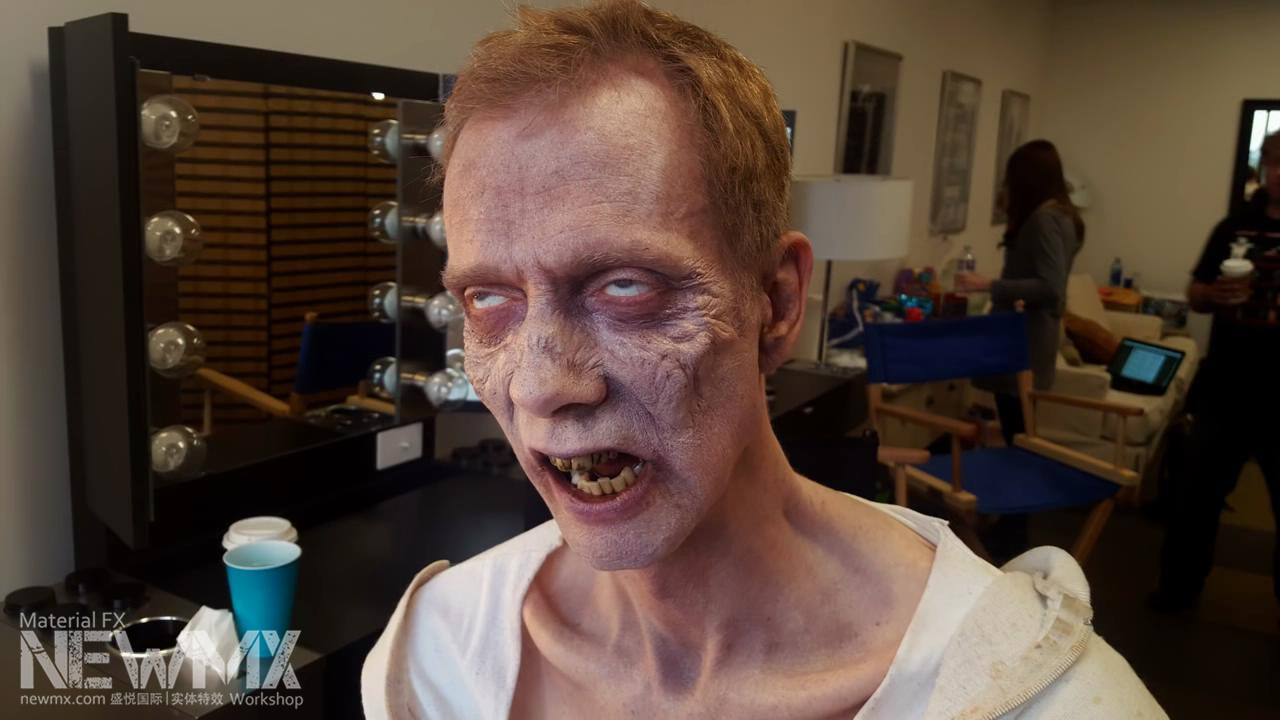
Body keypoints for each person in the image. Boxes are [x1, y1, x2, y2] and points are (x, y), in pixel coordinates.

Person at [362, 2, 1162, 717]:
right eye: (488, 299)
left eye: (626, 286)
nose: (541, 386)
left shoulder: (1045, 700)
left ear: (775, 303)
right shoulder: (436, 662)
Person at [1151, 132, 1280, 614]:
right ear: (1262, 168)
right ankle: (1176, 593)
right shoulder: (1232, 227)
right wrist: (1210, 295)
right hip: (1226, 387)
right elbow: (1195, 292)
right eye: (1273, 163)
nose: (1279, 173)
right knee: (1195, 499)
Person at [956, 140, 1085, 445]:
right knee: (1017, 428)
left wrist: (988, 284)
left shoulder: (1044, 220)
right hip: (1030, 339)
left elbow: (1050, 286)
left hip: (1023, 340)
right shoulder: (1062, 216)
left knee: (1018, 431)